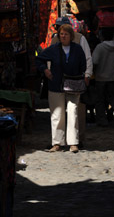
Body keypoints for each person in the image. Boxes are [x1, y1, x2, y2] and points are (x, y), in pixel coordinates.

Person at [36, 24, 86, 153]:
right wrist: (45, 70)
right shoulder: (53, 49)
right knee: (57, 114)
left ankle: (73, 142)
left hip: (73, 85)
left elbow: (83, 64)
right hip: (56, 85)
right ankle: (57, 142)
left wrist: (77, 77)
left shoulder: (77, 49)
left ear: (71, 36)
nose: (63, 36)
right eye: (61, 34)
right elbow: (39, 60)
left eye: (66, 34)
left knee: (73, 111)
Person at [51, 16, 93, 146]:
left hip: (75, 80)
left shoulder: (80, 38)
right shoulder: (54, 40)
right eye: (58, 28)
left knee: (76, 110)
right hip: (58, 80)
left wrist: (87, 74)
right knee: (58, 112)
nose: (59, 30)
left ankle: (77, 139)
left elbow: (87, 58)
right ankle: (59, 141)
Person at [92, 29, 114, 126]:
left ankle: (102, 120)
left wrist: (93, 72)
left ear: (102, 36)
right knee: (112, 96)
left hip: (100, 77)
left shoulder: (100, 47)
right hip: (113, 76)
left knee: (100, 99)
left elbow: (94, 61)